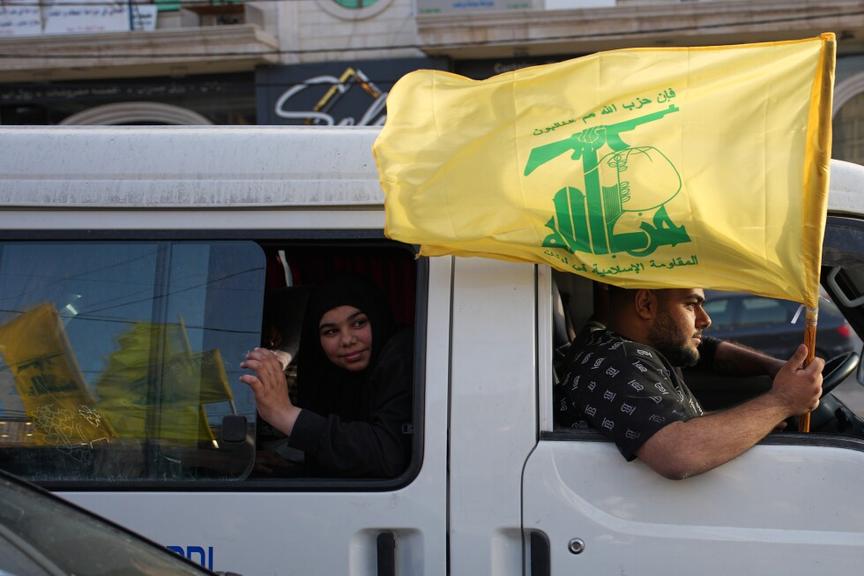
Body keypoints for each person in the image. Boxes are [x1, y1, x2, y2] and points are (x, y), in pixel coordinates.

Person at [559, 286, 824, 480]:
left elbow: (705, 351)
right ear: (645, 304)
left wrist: (771, 372)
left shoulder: (629, 344)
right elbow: (677, 453)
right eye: (691, 304)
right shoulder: (620, 361)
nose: (705, 319)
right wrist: (783, 401)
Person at [240, 276, 412, 478]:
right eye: (331, 332)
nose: (347, 340)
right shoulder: (334, 377)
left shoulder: (402, 355)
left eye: (358, 323)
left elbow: (389, 455)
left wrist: (285, 415)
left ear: (377, 318)